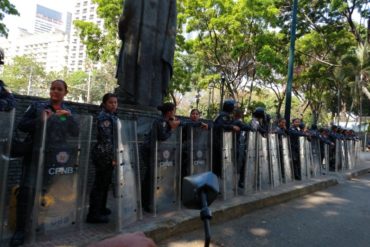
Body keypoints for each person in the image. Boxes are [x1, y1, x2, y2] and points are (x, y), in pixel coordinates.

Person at [10, 79, 78, 247]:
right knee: (27, 192)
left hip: (54, 158)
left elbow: (75, 133)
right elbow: (22, 126)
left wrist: (70, 118)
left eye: (59, 89)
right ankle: (20, 231)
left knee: (45, 194)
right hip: (34, 156)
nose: (55, 91)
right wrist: (41, 119)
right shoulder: (37, 107)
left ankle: (37, 223)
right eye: (52, 88)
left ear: (65, 92)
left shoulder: (67, 111)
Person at [116, 0, 177, 108]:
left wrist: (122, 32)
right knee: (154, 88)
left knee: (130, 80)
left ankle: (130, 96)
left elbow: (128, 11)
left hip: (135, 40)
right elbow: (172, 23)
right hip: (159, 47)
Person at [141, 102, 181, 212]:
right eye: (173, 110)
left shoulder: (165, 120)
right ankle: (146, 203)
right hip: (149, 150)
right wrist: (172, 128)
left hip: (153, 150)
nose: (174, 113)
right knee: (151, 176)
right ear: (169, 112)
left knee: (152, 175)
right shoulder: (161, 121)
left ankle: (147, 201)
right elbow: (162, 136)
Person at [86, 93, 118, 223]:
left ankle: (102, 208)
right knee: (99, 185)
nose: (114, 105)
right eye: (111, 102)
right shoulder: (104, 117)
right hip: (103, 154)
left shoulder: (111, 116)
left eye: (115, 102)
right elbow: (107, 139)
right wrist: (113, 157)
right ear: (104, 103)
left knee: (105, 183)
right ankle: (93, 214)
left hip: (108, 154)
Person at [213, 100, 240, 177]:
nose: (234, 109)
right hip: (219, 143)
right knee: (219, 165)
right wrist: (232, 127)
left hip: (221, 143)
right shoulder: (223, 116)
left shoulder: (223, 115)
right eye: (233, 107)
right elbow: (219, 126)